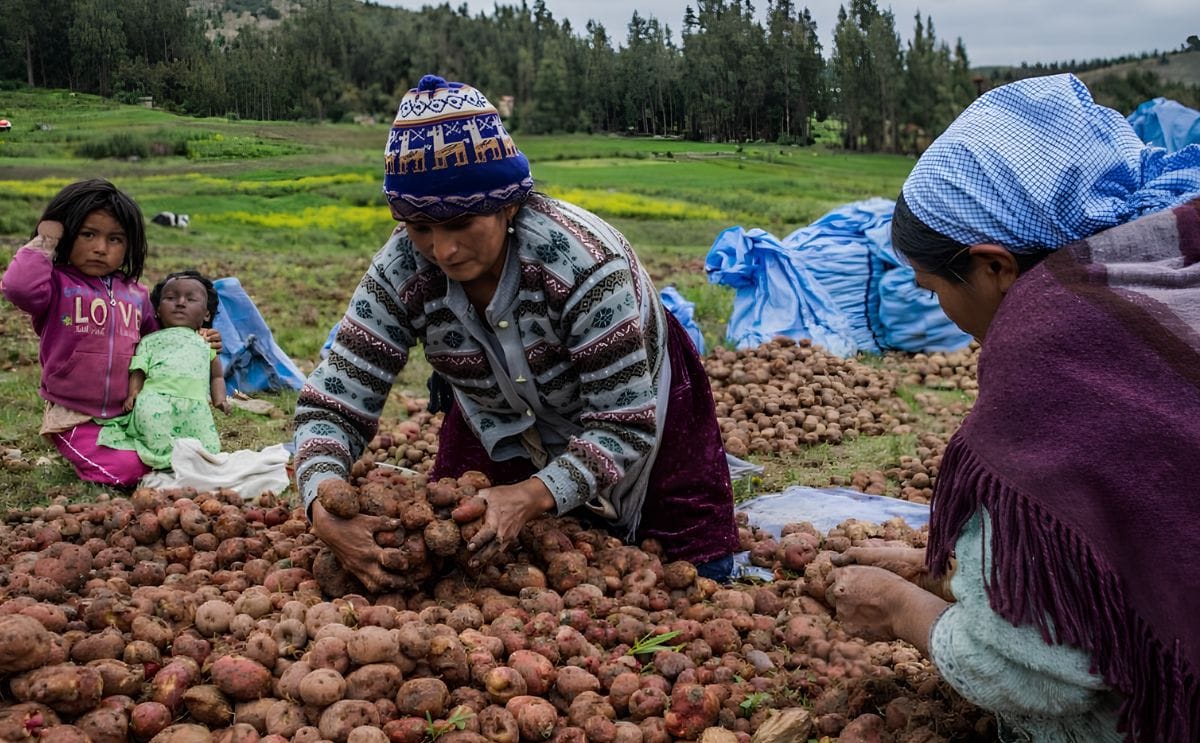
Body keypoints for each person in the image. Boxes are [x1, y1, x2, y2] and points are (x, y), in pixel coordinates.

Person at [827, 74, 1200, 742]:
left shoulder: (1055, 357)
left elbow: (1045, 672)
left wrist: (901, 610)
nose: (939, 309)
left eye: (932, 286)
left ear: (994, 265)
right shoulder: (1172, 258)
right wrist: (949, 571)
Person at [294, 74, 738, 592]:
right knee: (463, 550)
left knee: (693, 572)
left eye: (461, 223)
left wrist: (530, 495)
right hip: (494, 406)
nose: (443, 251)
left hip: (633, 394)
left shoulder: (584, 266)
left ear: (509, 204)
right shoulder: (399, 271)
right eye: (420, 227)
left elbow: (623, 424)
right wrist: (321, 501)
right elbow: (332, 404)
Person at [1, 179, 220, 487]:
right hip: (76, 416)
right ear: (68, 233)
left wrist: (199, 340)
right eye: (88, 234)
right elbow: (18, 289)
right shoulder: (56, 285)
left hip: (130, 412)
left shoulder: (137, 294)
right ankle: (87, 455)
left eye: (115, 239)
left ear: (129, 246)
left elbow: (158, 343)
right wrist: (45, 241)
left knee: (183, 453)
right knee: (129, 469)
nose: (100, 248)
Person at [96, 270, 230, 469]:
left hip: (195, 405)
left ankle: (193, 464)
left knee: (208, 445)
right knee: (154, 429)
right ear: (157, 310)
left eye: (191, 299)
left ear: (206, 313)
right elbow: (139, 369)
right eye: (170, 298)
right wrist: (134, 393)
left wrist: (220, 399)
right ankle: (164, 463)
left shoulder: (206, 342)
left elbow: (217, 376)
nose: (180, 303)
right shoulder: (150, 340)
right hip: (155, 399)